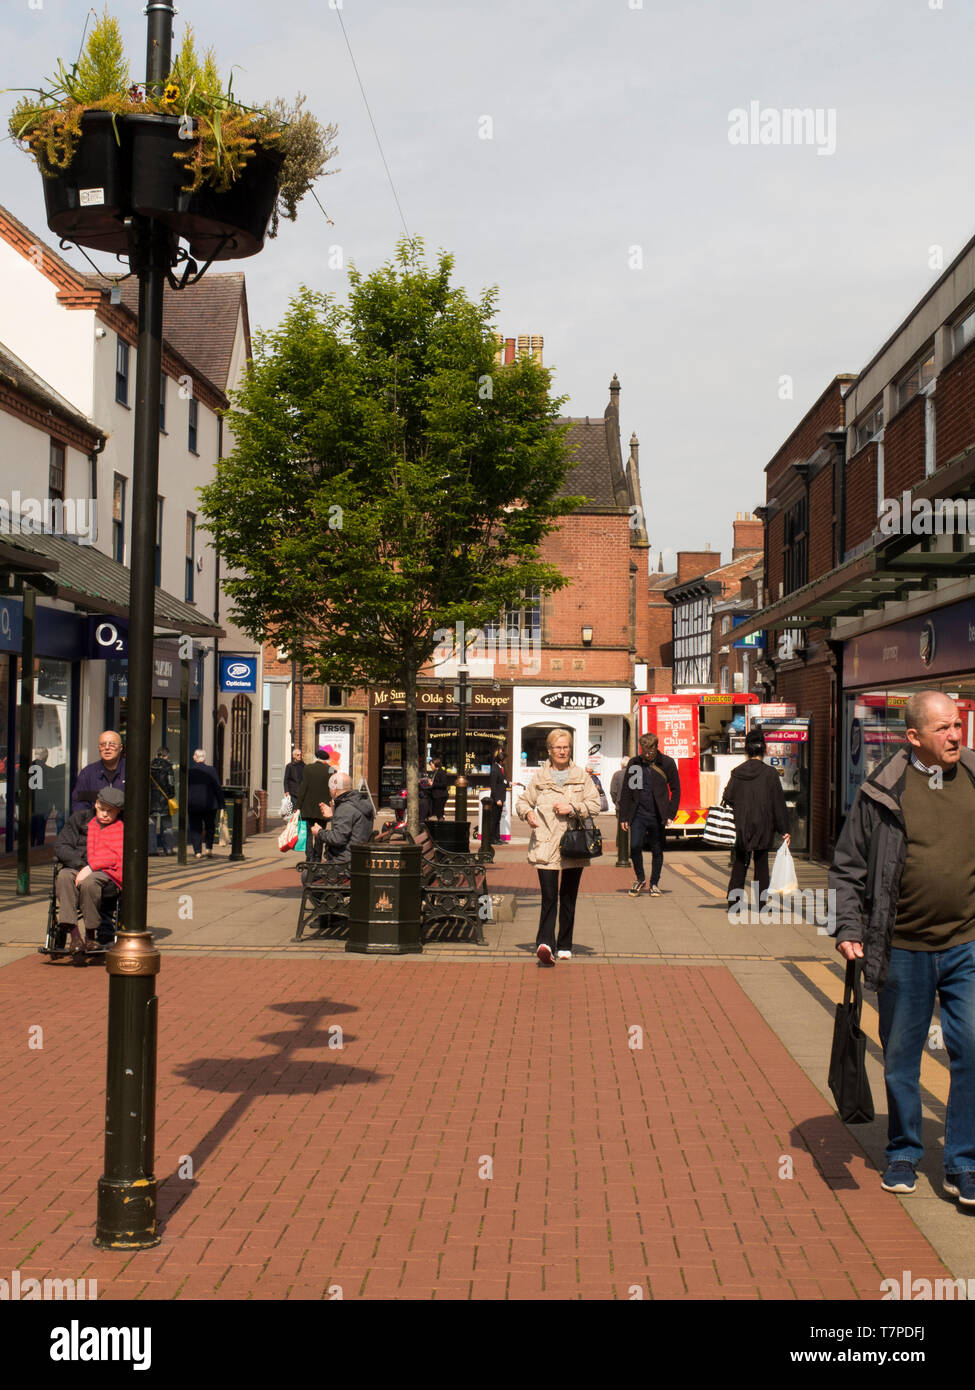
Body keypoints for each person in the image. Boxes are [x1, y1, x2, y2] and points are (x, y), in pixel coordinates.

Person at [830, 690, 975, 1207]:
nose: (955, 735)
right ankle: (905, 1151)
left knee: (972, 1049)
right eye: (943, 728)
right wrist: (849, 927)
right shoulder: (881, 790)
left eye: (957, 725)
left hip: (967, 944)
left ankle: (963, 1161)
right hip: (903, 949)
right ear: (913, 736)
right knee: (901, 1058)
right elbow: (847, 868)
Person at [515, 728, 600, 964]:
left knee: (569, 897)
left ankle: (564, 944)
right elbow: (522, 801)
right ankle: (545, 944)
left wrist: (573, 808)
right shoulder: (540, 779)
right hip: (545, 844)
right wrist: (527, 813)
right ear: (549, 751)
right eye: (558, 747)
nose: (562, 751)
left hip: (574, 843)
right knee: (549, 896)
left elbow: (596, 804)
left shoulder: (582, 776)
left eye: (566, 747)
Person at [722, 727, 791, 911]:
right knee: (761, 865)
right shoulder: (770, 774)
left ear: (746, 749)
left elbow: (727, 796)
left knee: (739, 863)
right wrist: (784, 829)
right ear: (764, 749)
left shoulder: (737, 772)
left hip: (741, 825)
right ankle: (761, 904)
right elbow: (778, 803)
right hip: (763, 825)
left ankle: (734, 902)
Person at [54, 787, 124, 957]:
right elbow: (61, 847)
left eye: (111, 811)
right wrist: (80, 866)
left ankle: (90, 935)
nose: (105, 814)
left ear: (118, 811)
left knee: (90, 882)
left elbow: (117, 855)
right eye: (102, 809)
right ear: (96, 804)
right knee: (63, 876)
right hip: (76, 866)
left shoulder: (120, 826)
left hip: (104, 873)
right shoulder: (80, 819)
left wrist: (91, 868)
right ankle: (75, 936)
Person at [618, 732, 681, 897]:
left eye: (649, 751)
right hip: (638, 813)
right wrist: (624, 816)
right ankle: (640, 878)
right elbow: (628, 791)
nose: (646, 754)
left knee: (657, 849)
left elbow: (676, 790)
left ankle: (654, 883)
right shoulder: (635, 763)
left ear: (655, 747)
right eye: (644, 750)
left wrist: (670, 813)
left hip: (658, 814)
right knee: (634, 847)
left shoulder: (666, 763)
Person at [309, 772, 375, 865]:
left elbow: (338, 839)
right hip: (358, 856)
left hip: (345, 861)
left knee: (307, 875)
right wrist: (334, 814)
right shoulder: (359, 802)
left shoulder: (345, 808)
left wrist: (319, 832)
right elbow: (352, 825)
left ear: (334, 789)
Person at [70, 730, 125, 815]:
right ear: (99, 748)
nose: (107, 748)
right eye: (103, 744)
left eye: (112, 744)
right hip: (95, 826)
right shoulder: (88, 773)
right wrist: (90, 825)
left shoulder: (132, 771)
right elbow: (79, 803)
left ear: (120, 748)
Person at [187, 749, 225, 858]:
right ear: (204, 758)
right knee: (210, 826)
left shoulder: (190, 771)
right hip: (209, 804)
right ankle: (208, 848)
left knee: (195, 827)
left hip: (194, 804)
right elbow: (217, 787)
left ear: (195, 757)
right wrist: (221, 803)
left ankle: (197, 851)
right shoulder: (211, 770)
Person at [297, 746, 334, 842]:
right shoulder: (331, 769)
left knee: (308, 832)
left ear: (316, 757)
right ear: (326, 759)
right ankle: (317, 856)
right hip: (323, 807)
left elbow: (303, 788)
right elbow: (333, 789)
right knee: (320, 832)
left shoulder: (308, 768)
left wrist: (298, 806)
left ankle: (309, 855)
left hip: (308, 807)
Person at [478, 748, 509, 863]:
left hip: (501, 797)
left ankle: (497, 837)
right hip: (497, 798)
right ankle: (492, 838)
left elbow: (503, 782)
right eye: (505, 760)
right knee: (494, 819)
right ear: (501, 761)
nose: (506, 762)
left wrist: (510, 783)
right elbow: (493, 786)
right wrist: (497, 799)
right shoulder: (495, 770)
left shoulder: (500, 769)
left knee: (498, 819)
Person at [149, 745, 176, 856]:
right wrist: (171, 795)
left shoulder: (150, 765)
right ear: (166, 755)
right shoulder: (168, 766)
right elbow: (171, 783)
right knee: (167, 826)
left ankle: (151, 850)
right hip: (164, 799)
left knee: (151, 826)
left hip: (152, 799)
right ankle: (168, 849)